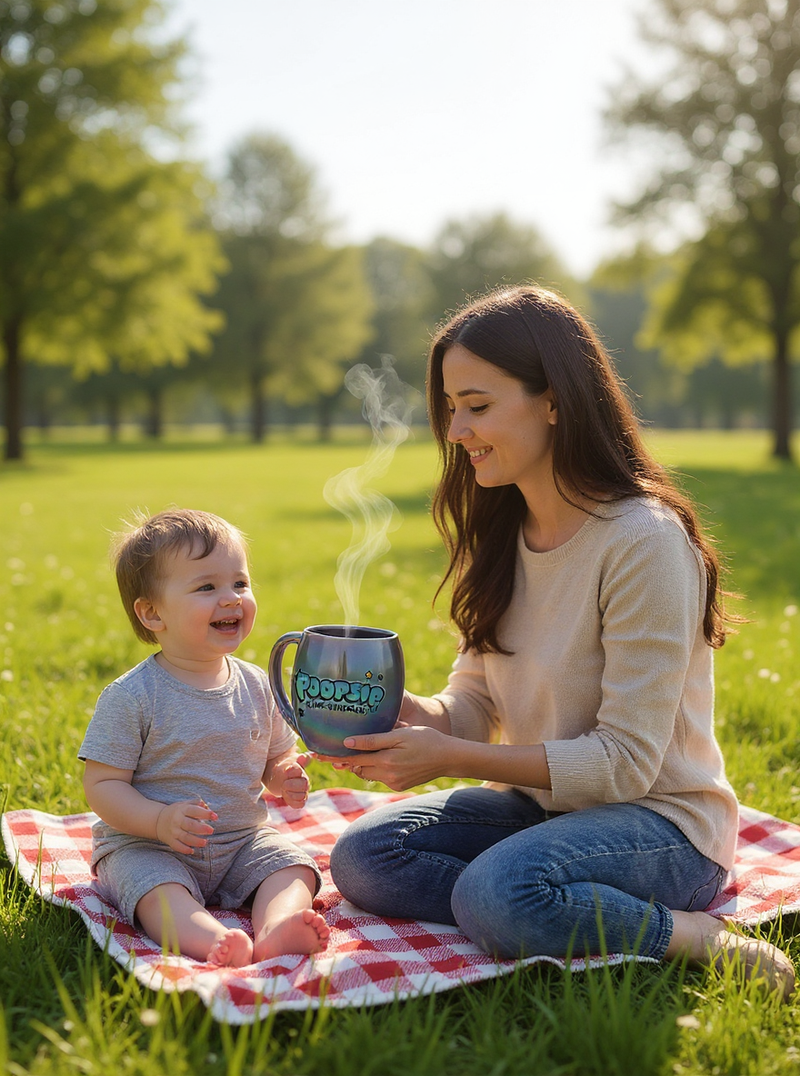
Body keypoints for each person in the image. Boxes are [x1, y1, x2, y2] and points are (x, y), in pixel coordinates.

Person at [325, 285, 795, 999]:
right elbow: (475, 702)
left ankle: (683, 933)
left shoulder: (642, 542)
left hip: (663, 826)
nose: (456, 430)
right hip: (542, 809)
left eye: (477, 406)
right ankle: (531, 903)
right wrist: (407, 718)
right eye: (451, 408)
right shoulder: (501, 531)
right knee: (367, 855)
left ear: (553, 401)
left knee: (496, 892)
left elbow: (626, 765)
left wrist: (451, 758)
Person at [79, 508, 329, 967]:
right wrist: (157, 821)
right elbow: (102, 784)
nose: (231, 599)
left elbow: (275, 757)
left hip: (241, 840)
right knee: (155, 890)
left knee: (292, 866)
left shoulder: (257, 685)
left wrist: (285, 776)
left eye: (240, 583)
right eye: (206, 587)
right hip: (149, 845)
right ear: (152, 613)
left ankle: (277, 927)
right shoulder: (133, 696)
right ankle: (212, 939)